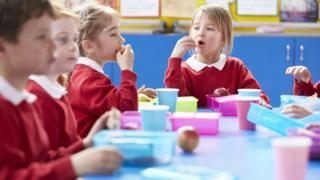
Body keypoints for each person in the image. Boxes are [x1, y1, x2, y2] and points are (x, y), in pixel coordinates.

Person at [0, 1, 122, 179]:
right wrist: (75, 164)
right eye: (42, 37)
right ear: (3, 47)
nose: (52, 47)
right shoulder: (5, 107)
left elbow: (42, 160)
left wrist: (86, 144)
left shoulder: (23, 100)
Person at [164, 4, 269, 107]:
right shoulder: (183, 69)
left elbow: (257, 95)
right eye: (196, 28)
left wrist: (260, 102)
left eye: (209, 28)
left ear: (223, 38)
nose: (200, 33)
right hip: (194, 124)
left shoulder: (235, 66)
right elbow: (175, 102)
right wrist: (175, 59)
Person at [67, 4, 138, 137]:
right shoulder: (89, 80)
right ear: (88, 46)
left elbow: (109, 102)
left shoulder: (83, 73)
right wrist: (127, 70)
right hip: (89, 152)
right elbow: (127, 112)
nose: (122, 39)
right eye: (113, 34)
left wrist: (133, 93)